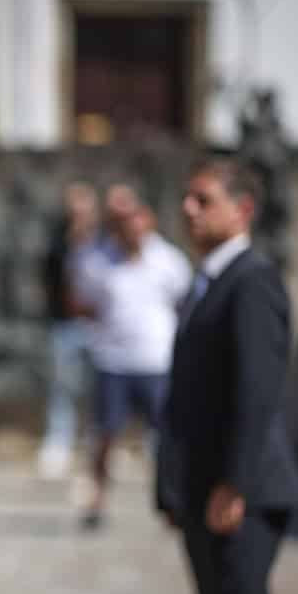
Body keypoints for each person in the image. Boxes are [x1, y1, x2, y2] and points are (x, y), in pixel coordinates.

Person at [149, 158, 298, 594]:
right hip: (206, 489)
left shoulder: (252, 281)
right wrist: (174, 488)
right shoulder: (209, 283)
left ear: (242, 209)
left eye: (203, 199)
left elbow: (256, 392)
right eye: (187, 198)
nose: (188, 209)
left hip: (244, 492)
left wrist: (233, 484)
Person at [73, 187, 191, 531]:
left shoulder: (169, 261)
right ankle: (97, 499)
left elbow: (183, 305)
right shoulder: (96, 260)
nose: (128, 228)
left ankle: (171, 499)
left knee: (166, 435)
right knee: (104, 435)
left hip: (157, 363)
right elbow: (83, 302)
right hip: (112, 361)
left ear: (147, 219)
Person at [36, 181, 101, 479]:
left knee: (98, 389)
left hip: (99, 328)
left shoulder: (105, 245)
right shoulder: (57, 244)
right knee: (62, 386)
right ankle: (59, 441)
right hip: (65, 325)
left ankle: (96, 444)